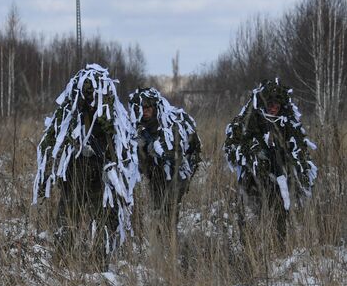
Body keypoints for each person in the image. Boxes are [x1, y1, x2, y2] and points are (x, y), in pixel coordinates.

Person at [33, 64, 139, 270]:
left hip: (101, 179)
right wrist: (47, 174)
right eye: (87, 94)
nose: (91, 100)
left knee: (102, 220)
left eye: (94, 95)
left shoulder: (112, 117)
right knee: (67, 218)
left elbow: (124, 148)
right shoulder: (70, 114)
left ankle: (100, 265)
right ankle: (63, 261)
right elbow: (50, 142)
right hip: (73, 176)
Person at [224, 79, 317, 246]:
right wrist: (252, 156)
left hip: (279, 179)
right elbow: (232, 148)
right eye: (270, 103)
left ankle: (278, 249)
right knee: (251, 218)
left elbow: (299, 150)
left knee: (280, 214)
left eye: (277, 104)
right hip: (253, 181)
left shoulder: (286, 123)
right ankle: (250, 251)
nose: (274, 107)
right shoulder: (248, 122)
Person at [128, 87, 201, 237]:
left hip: (175, 177)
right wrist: (140, 151)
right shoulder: (138, 126)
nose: (145, 111)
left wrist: (157, 149)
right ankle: (163, 243)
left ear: (155, 107)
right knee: (157, 212)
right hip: (155, 176)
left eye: (148, 107)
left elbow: (177, 154)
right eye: (141, 108)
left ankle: (170, 244)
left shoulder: (168, 123)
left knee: (169, 212)